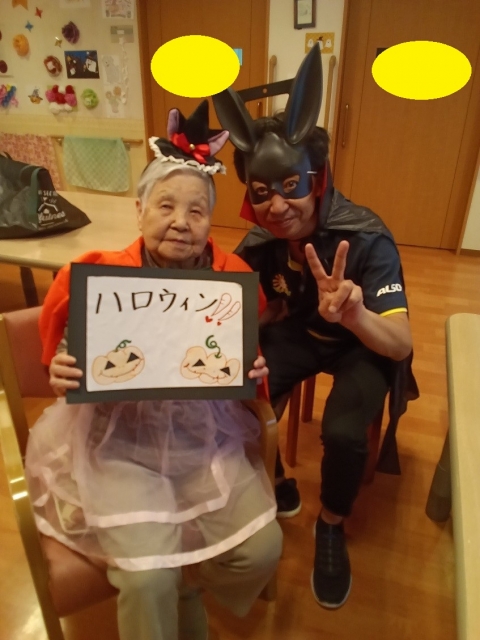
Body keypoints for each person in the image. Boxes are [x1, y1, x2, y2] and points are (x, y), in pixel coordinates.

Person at [25, 100, 282, 640]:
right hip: (117, 439)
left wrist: (252, 367)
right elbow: (67, 357)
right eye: (166, 206)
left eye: (197, 211)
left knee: (263, 550)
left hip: (200, 433)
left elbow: (237, 365)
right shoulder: (98, 279)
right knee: (147, 580)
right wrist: (64, 372)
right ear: (140, 209)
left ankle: (188, 583)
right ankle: (167, 587)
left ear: (210, 221)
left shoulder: (230, 280)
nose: (181, 222)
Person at [213, 44, 419, 610]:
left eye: (291, 185)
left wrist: (355, 314)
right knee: (238, 392)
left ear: (318, 178)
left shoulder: (366, 237)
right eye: (261, 194)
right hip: (301, 334)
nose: (277, 206)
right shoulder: (261, 243)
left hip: (360, 344)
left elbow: (401, 343)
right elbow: (227, 306)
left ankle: (331, 523)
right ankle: (276, 479)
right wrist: (257, 317)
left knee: (346, 431)